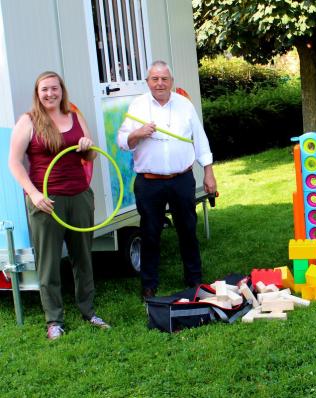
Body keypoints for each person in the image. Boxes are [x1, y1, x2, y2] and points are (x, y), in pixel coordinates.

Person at [8, 71, 110, 340]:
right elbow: (14, 162)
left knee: (83, 257)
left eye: (54, 88)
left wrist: (87, 147)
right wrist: (33, 194)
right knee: (49, 262)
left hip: (79, 196)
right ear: (37, 93)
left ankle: (89, 312)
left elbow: (89, 155)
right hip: (45, 200)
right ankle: (54, 320)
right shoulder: (28, 121)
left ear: (62, 91)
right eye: (44, 89)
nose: (50, 94)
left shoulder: (75, 117)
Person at [117, 60, 217, 300]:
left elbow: (200, 139)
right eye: (155, 79)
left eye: (164, 79)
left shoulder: (184, 105)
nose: (160, 83)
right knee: (150, 233)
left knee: (188, 229)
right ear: (147, 82)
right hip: (149, 182)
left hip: (181, 179)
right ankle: (149, 285)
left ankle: (194, 280)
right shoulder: (138, 105)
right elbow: (122, 142)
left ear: (171, 82)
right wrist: (137, 133)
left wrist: (208, 172)